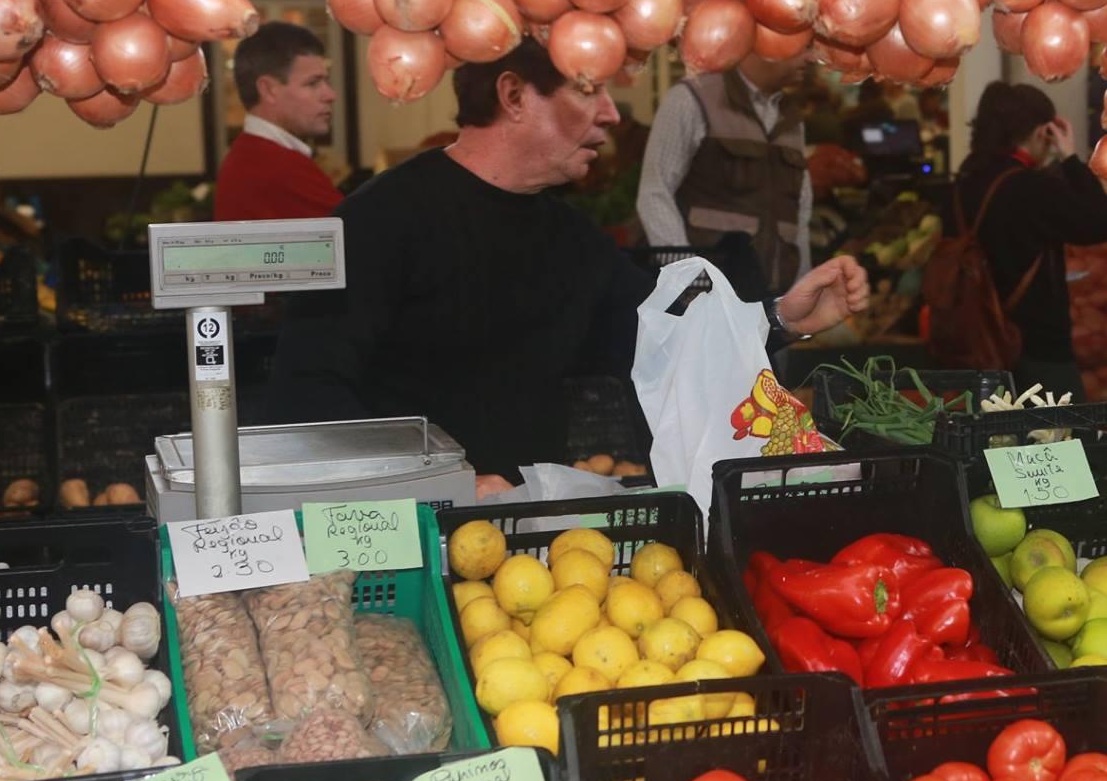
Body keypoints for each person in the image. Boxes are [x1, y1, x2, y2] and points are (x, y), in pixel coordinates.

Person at [272, 42, 869, 495]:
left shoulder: (571, 237)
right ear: (513, 96)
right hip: (400, 528)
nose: (612, 115)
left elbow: (662, 342)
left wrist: (781, 317)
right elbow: (307, 392)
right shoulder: (376, 221)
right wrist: (436, 483)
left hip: (531, 530)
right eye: (589, 91)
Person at [945, 82, 1107, 400]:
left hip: (977, 341)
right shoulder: (1031, 189)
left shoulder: (964, 181)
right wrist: (1069, 157)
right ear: (1042, 133)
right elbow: (1103, 223)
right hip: (1037, 346)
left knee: (990, 442)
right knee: (1059, 442)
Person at [635, 52, 812, 300]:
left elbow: (800, 211)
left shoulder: (791, 117)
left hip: (770, 303)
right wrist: (691, 285)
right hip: (701, 302)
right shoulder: (692, 98)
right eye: (801, 47)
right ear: (762, 41)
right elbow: (654, 194)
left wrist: (800, 292)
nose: (811, 58)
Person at [213, 23, 341, 222]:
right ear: (268, 90)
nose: (330, 95)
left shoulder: (252, 155)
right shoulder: (276, 168)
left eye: (326, 82)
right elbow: (363, 238)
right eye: (313, 83)